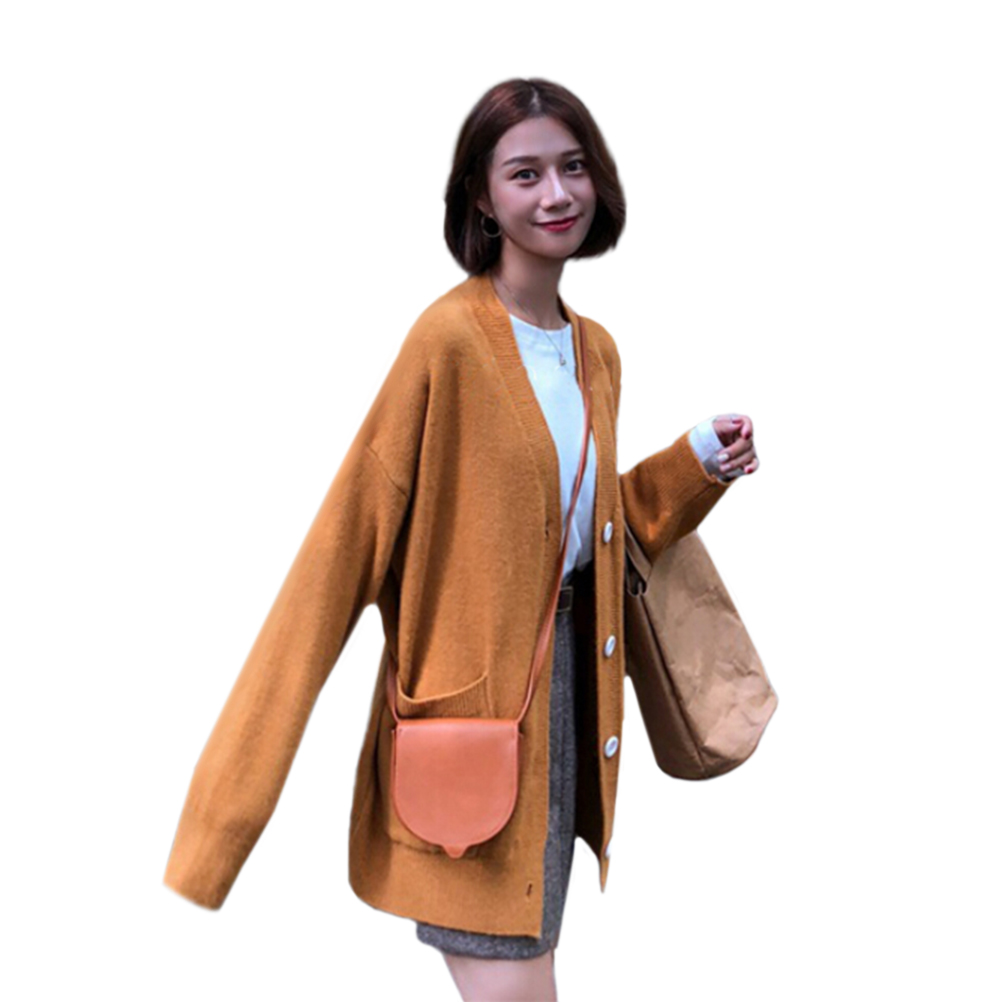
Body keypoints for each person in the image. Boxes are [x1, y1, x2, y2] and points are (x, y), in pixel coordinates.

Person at [163, 77, 758, 1002]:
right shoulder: (446, 343)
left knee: (533, 976)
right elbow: (337, 557)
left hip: (567, 706)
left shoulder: (597, 350)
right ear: (481, 196)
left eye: (572, 167)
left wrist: (693, 465)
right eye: (525, 174)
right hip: (476, 737)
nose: (556, 194)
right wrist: (221, 826)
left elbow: (586, 532)